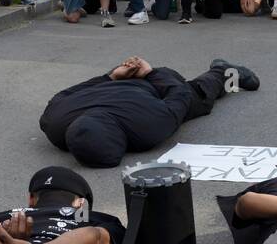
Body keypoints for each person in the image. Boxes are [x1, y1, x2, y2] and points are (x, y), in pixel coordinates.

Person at [40, 55, 259, 168]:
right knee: (189, 98)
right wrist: (111, 77)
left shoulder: (146, 126)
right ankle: (222, 70)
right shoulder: (53, 122)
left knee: (197, 98)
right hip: (127, 82)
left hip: (147, 82)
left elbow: (180, 93)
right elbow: (72, 91)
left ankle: (221, 71)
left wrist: (147, 73)